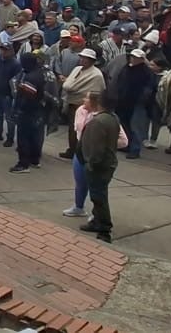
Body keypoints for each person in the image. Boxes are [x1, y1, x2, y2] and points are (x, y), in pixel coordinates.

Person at [64, 90, 130, 221]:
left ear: (95, 102)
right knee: (80, 182)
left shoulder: (105, 119)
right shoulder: (80, 111)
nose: (84, 100)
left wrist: (102, 144)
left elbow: (123, 141)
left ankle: (98, 217)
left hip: (95, 157)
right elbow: (78, 131)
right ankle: (79, 207)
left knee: (97, 188)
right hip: (80, 153)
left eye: (87, 99)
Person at [78, 91, 124, 243]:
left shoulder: (99, 122)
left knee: (99, 197)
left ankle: (104, 228)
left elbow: (97, 148)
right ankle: (96, 221)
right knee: (98, 194)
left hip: (99, 166)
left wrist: (91, 164)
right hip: (107, 163)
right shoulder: (113, 118)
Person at [58, 49, 106, 160]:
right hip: (72, 102)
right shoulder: (77, 69)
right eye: (82, 57)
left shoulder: (97, 75)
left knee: (83, 129)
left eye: (86, 58)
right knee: (72, 128)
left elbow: (98, 92)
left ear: (92, 61)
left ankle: (82, 152)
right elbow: (68, 85)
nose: (82, 60)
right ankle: (72, 149)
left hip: (84, 106)